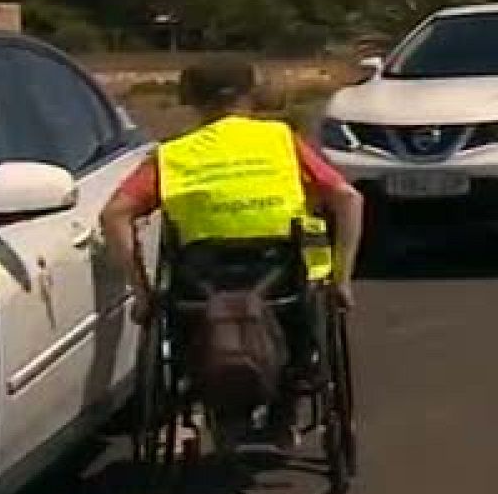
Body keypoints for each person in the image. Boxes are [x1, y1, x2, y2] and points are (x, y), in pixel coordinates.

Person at [101, 57, 364, 447]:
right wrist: (341, 278)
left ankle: (216, 406)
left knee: (184, 315)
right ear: (250, 95)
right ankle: (284, 407)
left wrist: (141, 292)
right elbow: (348, 198)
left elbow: (115, 214)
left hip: (200, 283)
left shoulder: (173, 155)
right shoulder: (280, 140)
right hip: (279, 276)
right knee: (301, 310)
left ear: (191, 100)